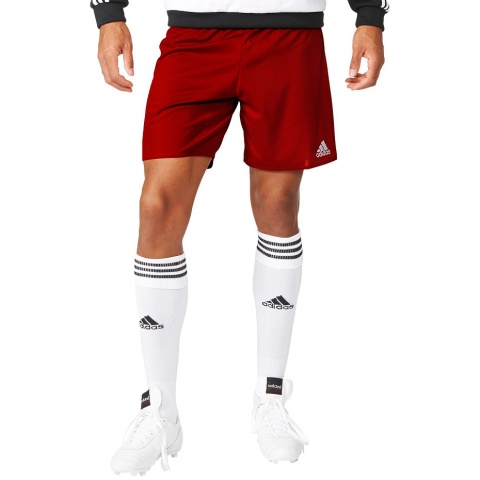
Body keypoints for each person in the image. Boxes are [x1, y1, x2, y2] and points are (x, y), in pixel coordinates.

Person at [90, 0, 388, 475]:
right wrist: (109, 15)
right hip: (193, 35)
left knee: (278, 203)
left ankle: (270, 395)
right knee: (157, 207)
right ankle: (160, 410)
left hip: (289, 32)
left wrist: (370, 16)